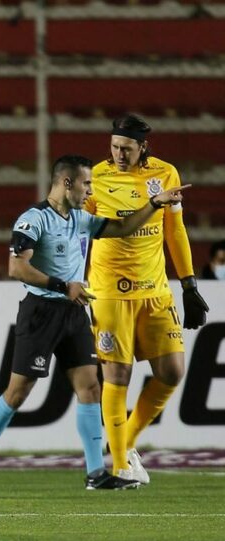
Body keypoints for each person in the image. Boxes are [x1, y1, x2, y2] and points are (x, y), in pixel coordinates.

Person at [0, 154, 188, 490]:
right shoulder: (33, 219)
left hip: (74, 312)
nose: (90, 191)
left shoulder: (80, 219)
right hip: (41, 312)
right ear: (66, 183)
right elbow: (17, 268)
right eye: (86, 184)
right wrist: (62, 285)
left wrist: (154, 202)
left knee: (90, 388)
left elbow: (124, 227)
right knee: (18, 392)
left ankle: (96, 472)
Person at [86, 114, 209, 484]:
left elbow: (175, 231)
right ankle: (121, 465)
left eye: (126, 148)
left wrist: (188, 285)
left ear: (143, 147)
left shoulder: (166, 174)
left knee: (172, 372)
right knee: (117, 373)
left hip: (155, 289)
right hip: (109, 290)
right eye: (114, 147)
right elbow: (82, 231)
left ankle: (123, 442)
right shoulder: (97, 177)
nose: (118, 154)